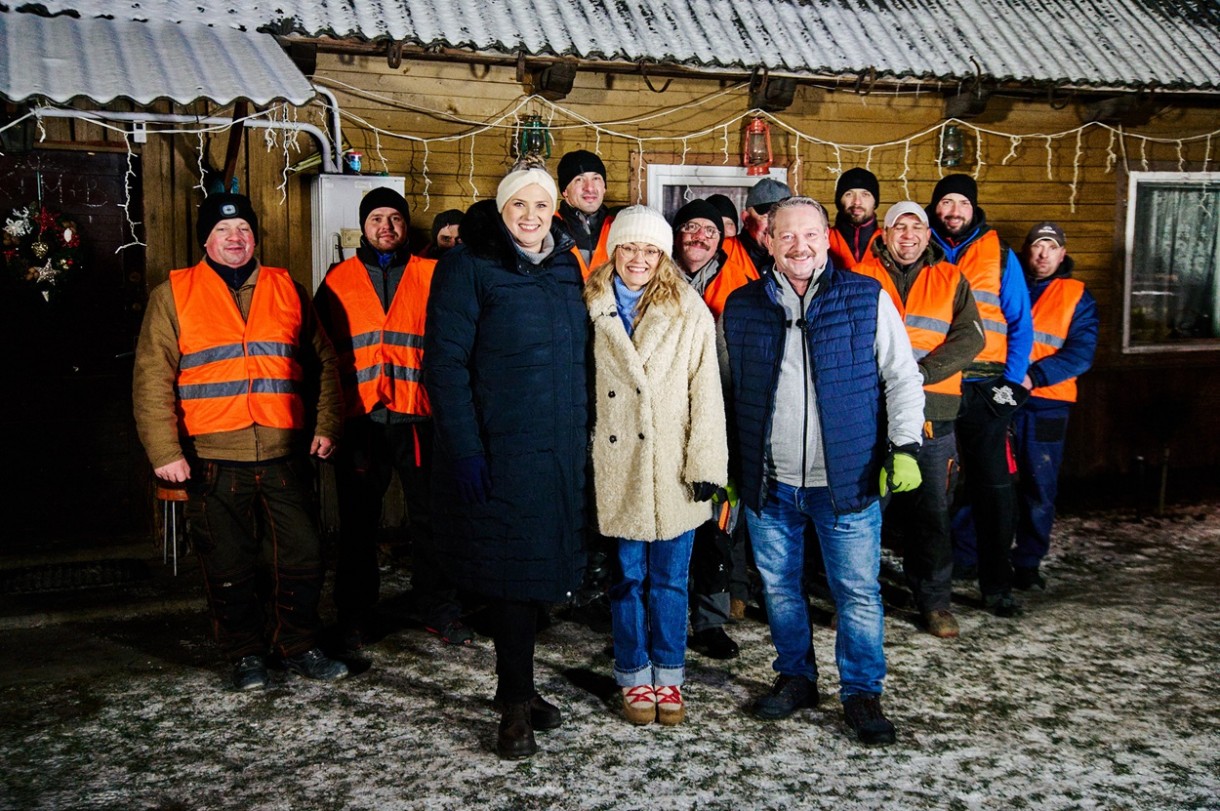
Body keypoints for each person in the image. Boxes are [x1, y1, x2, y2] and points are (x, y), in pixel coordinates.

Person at [721, 196, 925, 745]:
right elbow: (727, 392)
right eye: (786, 236)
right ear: (768, 240)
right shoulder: (742, 306)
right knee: (781, 589)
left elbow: (901, 377)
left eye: (809, 235)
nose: (799, 246)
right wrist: (733, 466)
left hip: (846, 480)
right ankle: (796, 677)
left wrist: (903, 446)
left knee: (856, 591)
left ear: (825, 237)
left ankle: (861, 693)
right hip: (772, 481)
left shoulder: (864, 298)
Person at [133, 192, 348, 690]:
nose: (236, 239)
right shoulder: (173, 294)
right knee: (228, 565)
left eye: (245, 231)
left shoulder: (287, 288)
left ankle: (298, 644)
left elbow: (324, 362)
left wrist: (326, 424)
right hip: (211, 459)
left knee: (303, 556)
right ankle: (246, 653)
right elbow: (151, 377)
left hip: (283, 454)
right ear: (206, 240)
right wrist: (165, 452)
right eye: (225, 232)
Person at [424, 166, 588, 760]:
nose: (529, 214)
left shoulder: (568, 267)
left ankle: (517, 685)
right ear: (501, 210)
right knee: (513, 576)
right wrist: (466, 449)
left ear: (554, 211)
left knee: (539, 572)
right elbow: (445, 366)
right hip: (501, 448)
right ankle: (516, 708)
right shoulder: (468, 267)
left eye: (540, 205)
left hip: (560, 448)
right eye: (519, 204)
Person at [584, 205, 728, 726]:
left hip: (673, 468)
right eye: (629, 247)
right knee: (626, 577)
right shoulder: (591, 305)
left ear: (662, 256)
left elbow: (706, 392)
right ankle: (631, 672)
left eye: (650, 250)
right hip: (618, 463)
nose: (639, 259)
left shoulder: (690, 309)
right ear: (614, 251)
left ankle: (669, 675)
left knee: (670, 579)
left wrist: (707, 463)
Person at [314, 188, 470, 652]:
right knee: (358, 524)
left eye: (396, 218)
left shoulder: (433, 274)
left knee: (433, 521)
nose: (387, 226)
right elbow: (319, 352)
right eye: (377, 218)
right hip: (361, 420)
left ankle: (439, 609)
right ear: (363, 226)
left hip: (419, 418)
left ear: (406, 225)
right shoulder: (338, 279)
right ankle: (356, 616)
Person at [850, 201, 984, 638]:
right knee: (864, 514)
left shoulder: (951, 279)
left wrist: (919, 373)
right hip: (870, 415)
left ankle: (934, 602)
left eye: (916, 228)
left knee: (932, 516)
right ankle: (856, 601)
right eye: (898, 227)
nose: (908, 235)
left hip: (934, 416)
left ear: (928, 236)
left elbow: (971, 337)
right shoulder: (858, 275)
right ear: (884, 234)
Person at [927, 174, 1034, 617]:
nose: (953, 211)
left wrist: (1012, 383)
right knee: (937, 492)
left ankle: (996, 584)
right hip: (937, 386)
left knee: (995, 487)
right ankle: (937, 586)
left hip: (987, 386)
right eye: (946, 202)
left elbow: (1020, 321)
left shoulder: (1000, 253)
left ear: (973, 209)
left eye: (961, 203)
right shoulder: (918, 246)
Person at [669, 198, 758, 660]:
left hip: (724, 418)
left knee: (718, 524)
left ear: (719, 238)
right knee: (667, 523)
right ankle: (660, 615)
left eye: (707, 229)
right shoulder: (654, 279)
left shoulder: (743, 283)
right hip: (667, 421)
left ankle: (710, 620)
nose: (698, 237)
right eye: (689, 228)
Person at [1012, 222, 1098, 589]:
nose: (1043, 254)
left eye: (1051, 247)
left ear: (1062, 254)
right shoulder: (1008, 284)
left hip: (1047, 406)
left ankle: (1028, 562)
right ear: (1027, 250)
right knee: (990, 481)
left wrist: (1034, 376)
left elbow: (1081, 353)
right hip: (1003, 402)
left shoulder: (1078, 296)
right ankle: (969, 555)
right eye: (1037, 246)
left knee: (1038, 486)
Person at [555, 149, 615, 277]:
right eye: (579, 180)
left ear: (604, 187)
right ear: (565, 190)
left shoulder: (618, 226)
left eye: (596, 178)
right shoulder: (548, 228)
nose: (589, 187)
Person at [828, 168, 881, 269]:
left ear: (875, 202)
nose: (857, 202)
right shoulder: (824, 239)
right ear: (839, 201)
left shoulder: (888, 241)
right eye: (849, 194)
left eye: (865, 194)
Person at [738, 177, 791, 271]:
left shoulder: (802, 256)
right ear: (746, 219)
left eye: (782, 217)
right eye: (766, 217)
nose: (774, 225)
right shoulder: (723, 256)